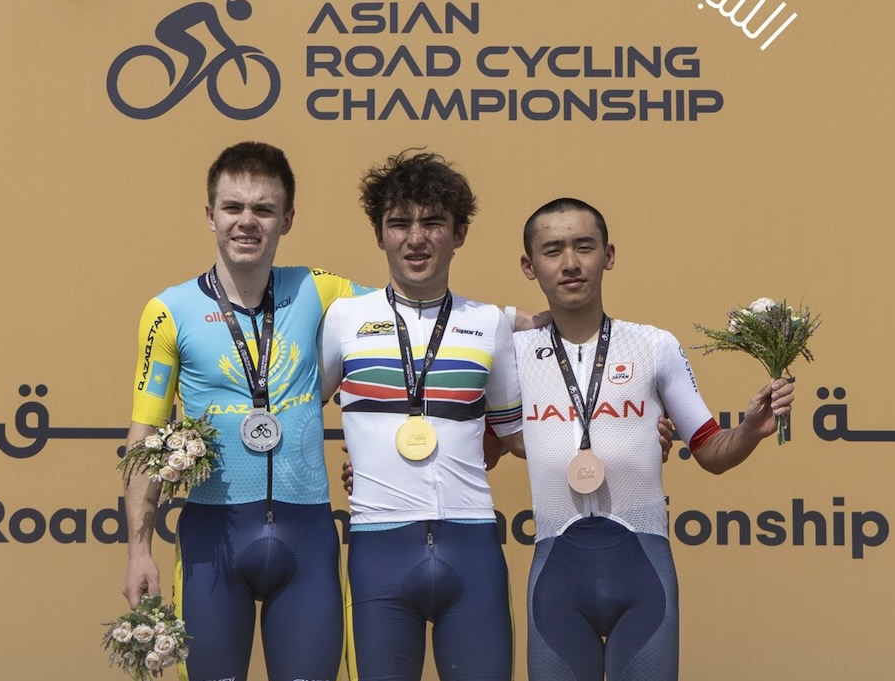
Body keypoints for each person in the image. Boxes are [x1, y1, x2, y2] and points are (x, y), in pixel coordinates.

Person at [514, 197, 795, 681]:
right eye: (553, 250)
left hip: (642, 571)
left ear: (609, 255)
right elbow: (486, 445)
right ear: (529, 265)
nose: (571, 263)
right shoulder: (512, 352)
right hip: (555, 577)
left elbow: (711, 450)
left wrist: (750, 429)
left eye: (585, 246)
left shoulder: (653, 346)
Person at [121, 141, 366, 681]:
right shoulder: (169, 311)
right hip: (213, 542)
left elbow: (412, 317)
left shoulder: (322, 290)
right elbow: (145, 436)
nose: (246, 222)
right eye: (232, 207)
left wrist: (517, 321)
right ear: (210, 214)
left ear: (288, 219)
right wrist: (139, 552)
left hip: (308, 539)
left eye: (264, 209)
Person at [318, 150, 526, 681]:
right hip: (378, 548)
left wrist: (626, 428)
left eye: (433, 222)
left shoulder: (489, 324)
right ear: (378, 234)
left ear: (459, 234)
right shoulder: (344, 319)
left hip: (472, 546)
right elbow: (296, 416)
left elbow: (518, 436)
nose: (416, 238)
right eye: (399, 223)